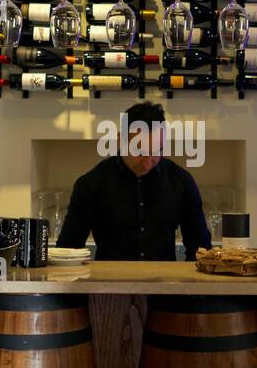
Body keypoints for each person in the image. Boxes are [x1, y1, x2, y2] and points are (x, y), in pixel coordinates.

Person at [57, 102, 211, 261]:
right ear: (120, 140)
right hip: (108, 283)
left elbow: (200, 249)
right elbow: (68, 250)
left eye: (156, 152)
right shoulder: (91, 184)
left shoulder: (181, 182)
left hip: (165, 282)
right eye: (139, 151)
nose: (147, 162)